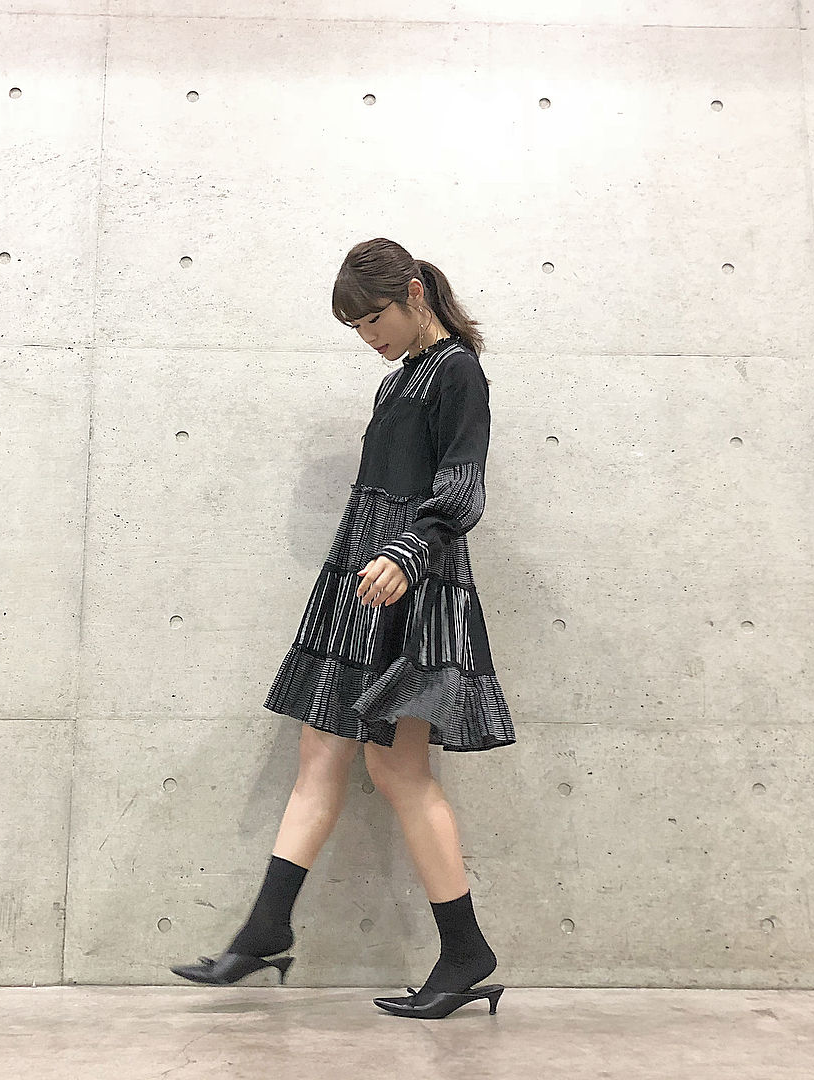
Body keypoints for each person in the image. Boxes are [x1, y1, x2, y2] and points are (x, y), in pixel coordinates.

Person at [171, 238, 515, 1020]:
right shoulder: (397, 382)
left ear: (415, 292)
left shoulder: (457, 371)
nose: (368, 337)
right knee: (321, 750)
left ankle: (466, 952)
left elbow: (463, 490)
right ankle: (264, 931)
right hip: (363, 575)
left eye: (374, 318)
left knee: (398, 771)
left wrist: (408, 552)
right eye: (356, 327)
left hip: (411, 582)